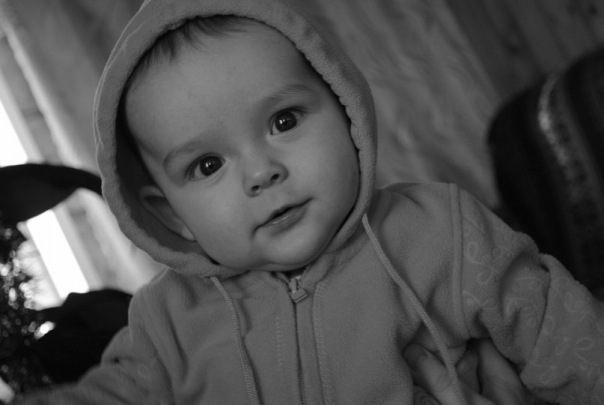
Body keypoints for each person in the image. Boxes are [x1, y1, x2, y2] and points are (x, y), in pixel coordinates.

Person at [15, 0, 604, 403]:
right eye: (208, 165)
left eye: (284, 120)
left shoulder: (439, 230)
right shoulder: (166, 322)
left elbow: (570, 342)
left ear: (346, 112)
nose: (263, 172)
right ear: (170, 213)